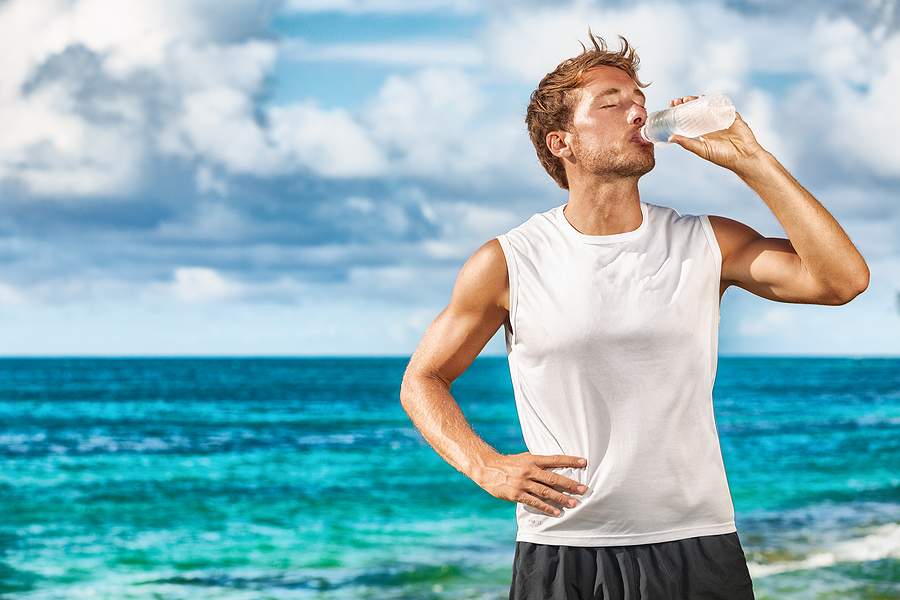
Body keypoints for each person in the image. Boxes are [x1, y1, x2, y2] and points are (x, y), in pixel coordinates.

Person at [399, 28, 869, 599]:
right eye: (612, 103)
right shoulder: (509, 261)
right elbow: (423, 379)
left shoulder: (706, 243)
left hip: (698, 543)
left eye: (639, 103)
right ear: (560, 142)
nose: (638, 113)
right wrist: (486, 465)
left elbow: (842, 281)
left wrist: (753, 162)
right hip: (564, 551)